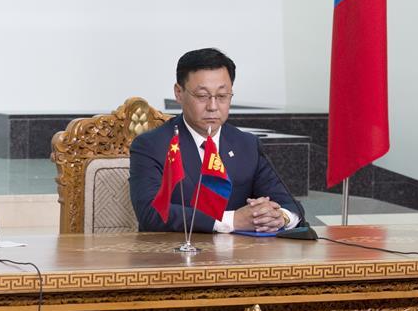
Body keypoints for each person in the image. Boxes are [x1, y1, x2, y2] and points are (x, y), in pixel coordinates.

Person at [129, 48, 304, 233]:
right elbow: (151, 213)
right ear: (179, 93)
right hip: (174, 256)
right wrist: (231, 221)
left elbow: (290, 204)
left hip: (239, 258)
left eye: (222, 96)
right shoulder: (151, 145)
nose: (213, 107)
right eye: (202, 96)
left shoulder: (247, 145)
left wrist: (280, 217)